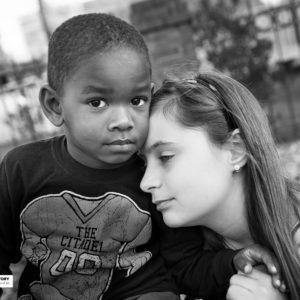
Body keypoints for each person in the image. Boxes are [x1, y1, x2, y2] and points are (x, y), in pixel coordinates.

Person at [0, 14, 283, 300]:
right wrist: (5, 287)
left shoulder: (154, 180)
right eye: (97, 103)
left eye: (136, 101)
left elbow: (186, 267)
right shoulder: (22, 170)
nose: (123, 120)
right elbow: (3, 256)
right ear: (54, 105)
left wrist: (232, 263)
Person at [140, 71, 300, 300]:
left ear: (235, 150)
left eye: (165, 157)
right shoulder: (178, 260)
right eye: (144, 163)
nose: (146, 182)